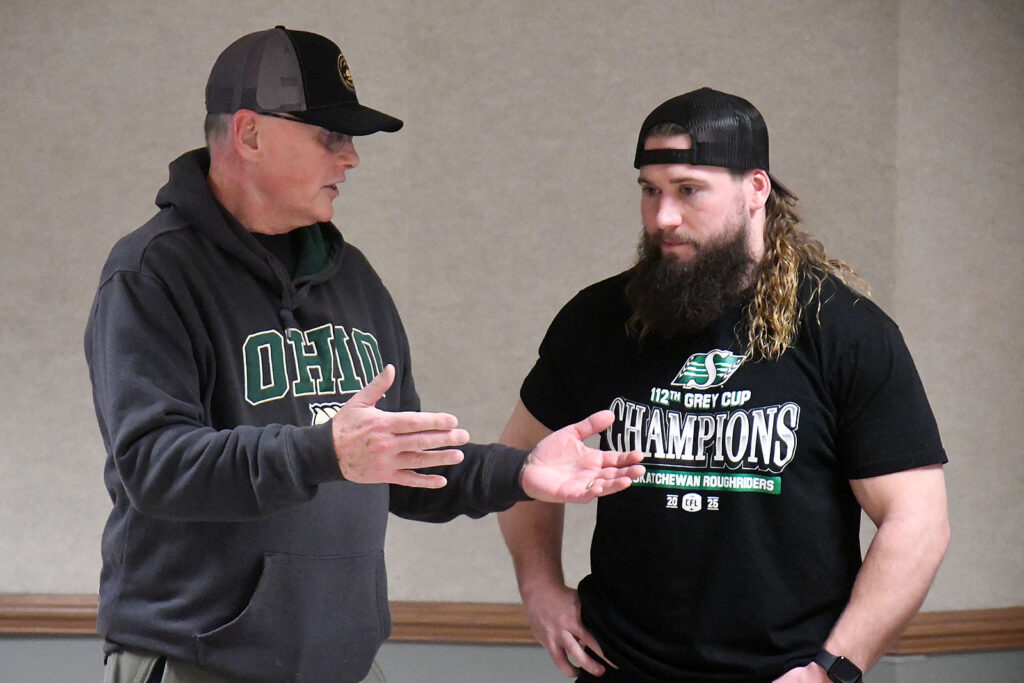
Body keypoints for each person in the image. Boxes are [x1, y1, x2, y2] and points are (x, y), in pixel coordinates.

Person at [84, 26, 644, 683]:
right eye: (331, 136)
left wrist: (520, 472)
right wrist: (326, 451)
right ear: (249, 134)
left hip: (344, 664)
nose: (351, 158)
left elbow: (402, 464)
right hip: (197, 661)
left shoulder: (352, 277)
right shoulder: (152, 274)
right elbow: (153, 465)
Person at [498, 88, 950, 683]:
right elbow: (518, 460)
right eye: (650, 190)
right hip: (621, 666)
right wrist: (539, 589)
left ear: (756, 188)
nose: (663, 216)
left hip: (784, 673)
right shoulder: (598, 319)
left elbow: (917, 521)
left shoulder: (843, 331)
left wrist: (831, 669)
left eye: (689, 190)